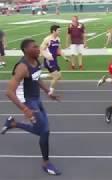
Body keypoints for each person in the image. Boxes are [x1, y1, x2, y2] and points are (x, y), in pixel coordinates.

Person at [1, 39, 61, 175]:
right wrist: (25, 109)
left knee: (42, 130)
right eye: (35, 47)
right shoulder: (22, 67)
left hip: (36, 99)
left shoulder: (36, 61)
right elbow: (9, 92)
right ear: (26, 50)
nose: (38, 48)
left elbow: (37, 78)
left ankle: (13, 123)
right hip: (28, 102)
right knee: (44, 131)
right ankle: (46, 163)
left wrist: (48, 92)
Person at [40, 25, 65, 95]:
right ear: (54, 31)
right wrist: (46, 56)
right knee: (56, 76)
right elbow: (41, 49)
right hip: (49, 61)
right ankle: (50, 91)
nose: (60, 31)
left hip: (55, 60)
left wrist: (64, 56)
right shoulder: (47, 39)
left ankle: (41, 76)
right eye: (58, 30)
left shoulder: (58, 39)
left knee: (59, 76)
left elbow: (58, 50)